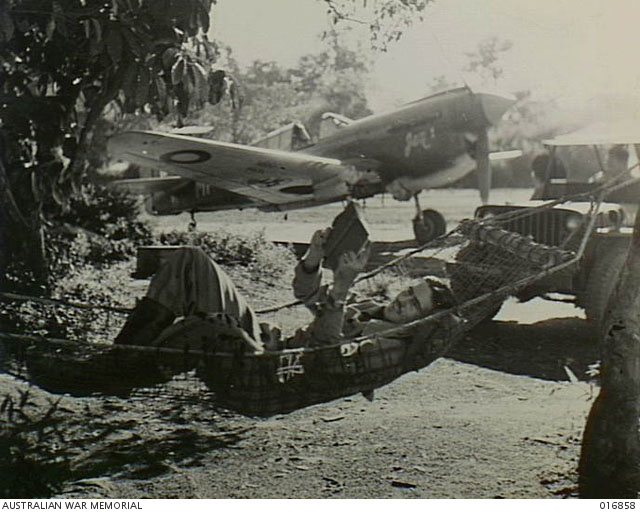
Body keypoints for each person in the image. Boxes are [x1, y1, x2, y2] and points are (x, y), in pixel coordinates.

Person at [114, 227, 453, 352]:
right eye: (408, 292)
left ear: (422, 321)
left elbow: (326, 344)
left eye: (414, 305)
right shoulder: (369, 308)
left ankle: (125, 358)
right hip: (264, 340)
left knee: (193, 266)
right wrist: (313, 258)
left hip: (265, 359)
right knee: (191, 259)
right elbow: (307, 295)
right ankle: (126, 352)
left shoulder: (386, 338)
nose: (402, 300)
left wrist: (342, 288)